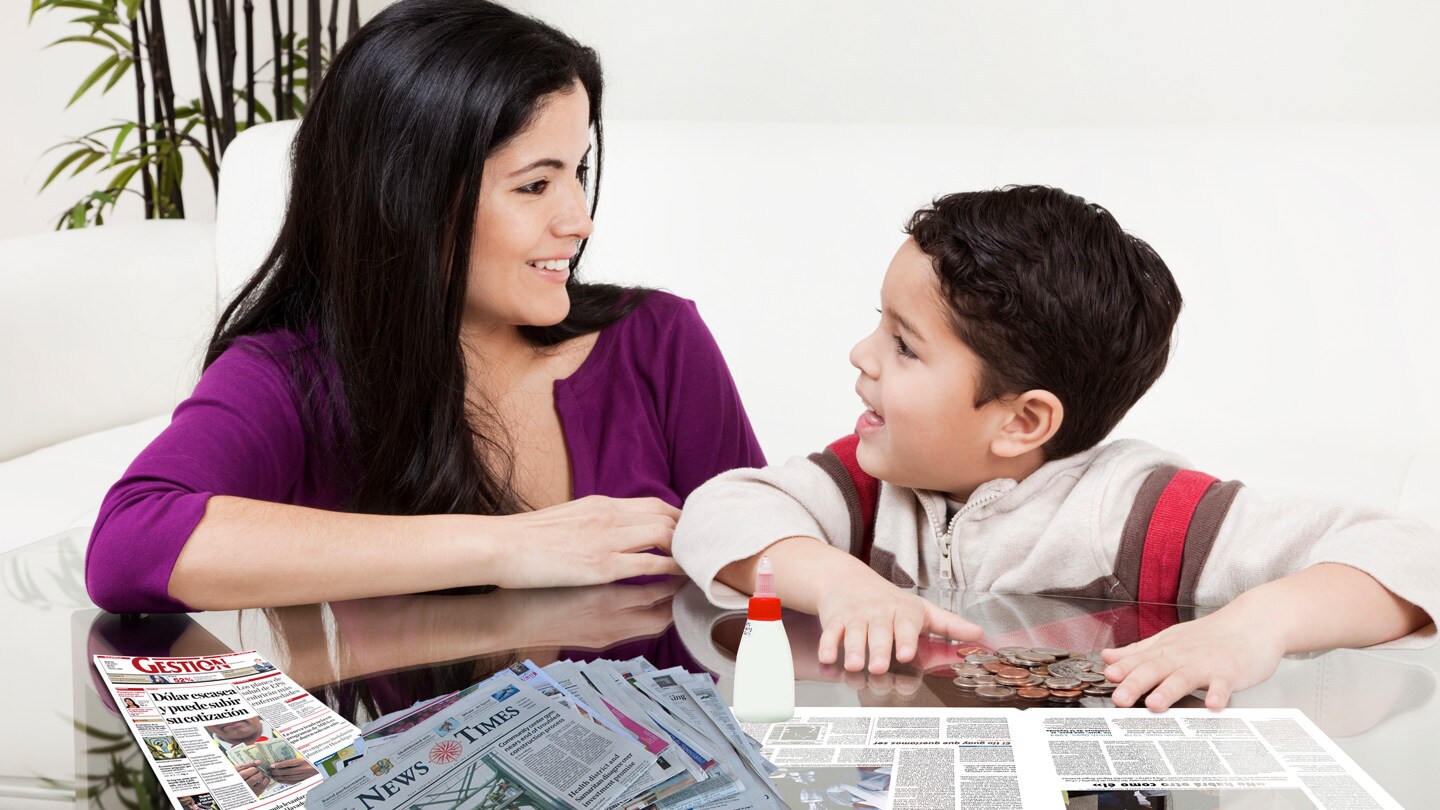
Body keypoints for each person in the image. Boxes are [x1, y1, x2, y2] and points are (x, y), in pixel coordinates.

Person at [84, 0, 764, 613]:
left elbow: (765, 561)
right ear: (406, 198)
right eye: (534, 186)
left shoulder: (659, 341)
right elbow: (130, 547)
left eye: (577, 173)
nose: (579, 220)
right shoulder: (289, 375)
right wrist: (509, 549)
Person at [672, 185, 1437, 711]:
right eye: (879, 324)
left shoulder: (1150, 516)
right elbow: (718, 511)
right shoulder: (868, 484)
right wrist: (842, 585)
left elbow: (1409, 557)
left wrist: (1252, 626)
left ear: (1023, 422)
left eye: (903, 346)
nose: (860, 354)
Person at [206, 717, 317, 794]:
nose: (227, 716)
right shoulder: (208, 760)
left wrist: (319, 769)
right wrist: (240, 797)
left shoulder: (303, 726)